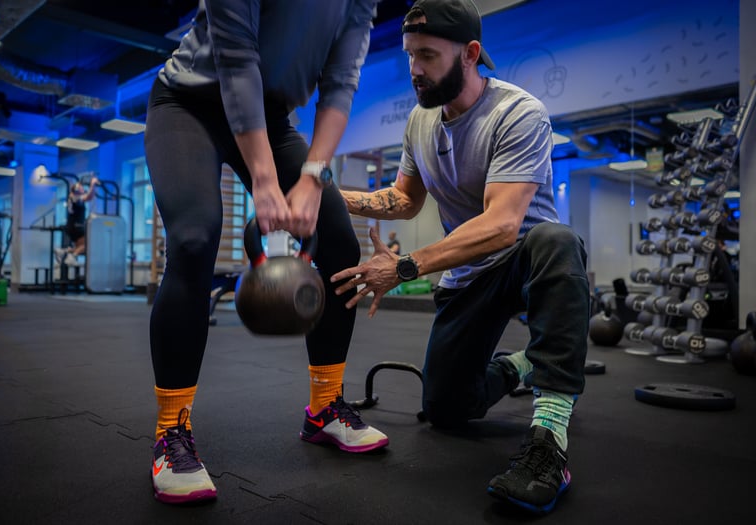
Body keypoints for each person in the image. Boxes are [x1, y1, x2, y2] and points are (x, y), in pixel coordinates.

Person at [331, 0, 589, 515]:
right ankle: (523, 365)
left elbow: (501, 225)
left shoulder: (518, 113)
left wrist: (404, 266)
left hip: (523, 261)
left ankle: (549, 441)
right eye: (410, 56)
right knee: (446, 409)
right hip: (468, 278)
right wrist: (332, 198)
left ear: (470, 54)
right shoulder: (419, 122)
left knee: (558, 240)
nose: (415, 70)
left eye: (427, 55)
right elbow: (405, 198)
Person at [143, 0, 387, 505]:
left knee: (340, 237)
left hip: (270, 115)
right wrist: (265, 180)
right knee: (194, 237)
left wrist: (314, 177)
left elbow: (341, 82)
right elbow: (237, 61)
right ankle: (172, 433)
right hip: (189, 104)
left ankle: (324, 408)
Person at [54, 176, 99, 267]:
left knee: (80, 246)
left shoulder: (72, 197)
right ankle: (71, 256)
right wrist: (93, 184)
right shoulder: (75, 197)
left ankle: (64, 251)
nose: (83, 189)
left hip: (73, 226)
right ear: (77, 190)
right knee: (88, 244)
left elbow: (89, 196)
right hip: (76, 226)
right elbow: (89, 197)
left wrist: (92, 188)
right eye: (81, 188)